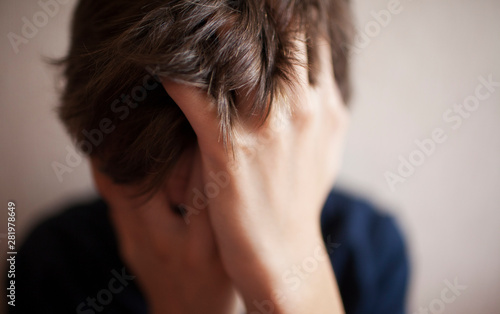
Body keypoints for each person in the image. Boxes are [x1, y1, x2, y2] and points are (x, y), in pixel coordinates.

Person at [8, 0, 409, 313]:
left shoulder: (372, 254)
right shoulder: (51, 264)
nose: (217, 226)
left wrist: (296, 284)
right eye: (181, 209)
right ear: (101, 159)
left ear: (320, 136)